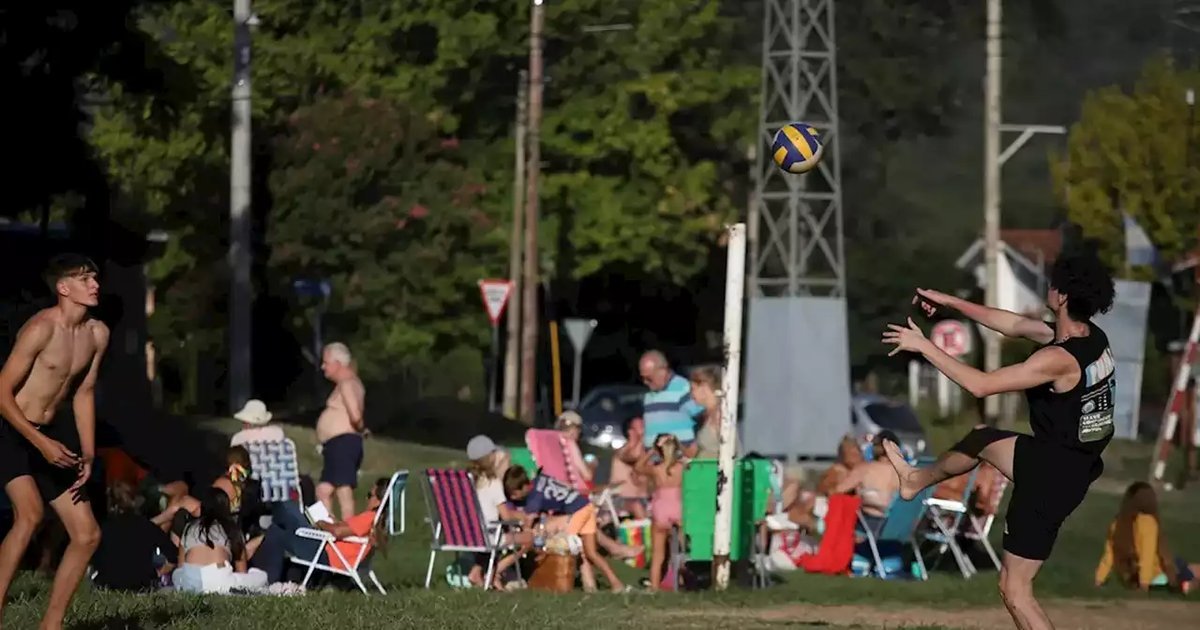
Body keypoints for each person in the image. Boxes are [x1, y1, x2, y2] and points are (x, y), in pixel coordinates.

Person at [880, 252, 1117, 630]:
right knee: (981, 439)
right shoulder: (1090, 338)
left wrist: (924, 346)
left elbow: (981, 385)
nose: (1048, 287)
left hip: (1051, 473)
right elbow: (1011, 323)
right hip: (1071, 463)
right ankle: (914, 481)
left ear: (1063, 297)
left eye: (1054, 283)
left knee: (1015, 591)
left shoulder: (1058, 358)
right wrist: (950, 304)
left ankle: (914, 482)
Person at [0, 254, 108, 630]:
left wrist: (89, 453)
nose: (95, 284)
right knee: (29, 515)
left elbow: (84, 393)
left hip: (50, 435)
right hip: (11, 428)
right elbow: (1, 392)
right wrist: (38, 442)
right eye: (85, 279)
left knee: (87, 533)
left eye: (95, 278)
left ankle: (52, 625)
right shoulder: (40, 329)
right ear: (64, 288)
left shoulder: (98, 334)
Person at [503, 466, 627, 593]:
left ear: (525, 486)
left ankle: (608, 582)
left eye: (514, 493)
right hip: (585, 506)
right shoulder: (540, 479)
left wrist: (526, 531)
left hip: (578, 514)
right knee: (589, 553)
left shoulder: (534, 499)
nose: (512, 497)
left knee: (575, 547)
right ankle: (608, 585)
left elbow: (528, 524)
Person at [251, 477, 389, 585]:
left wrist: (322, 523)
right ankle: (261, 573)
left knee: (282, 516)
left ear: (378, 501)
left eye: (369, 495)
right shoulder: (377, 520)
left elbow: (338, 533)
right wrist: (333, 522)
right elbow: (345, 530)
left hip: (324, 553)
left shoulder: (369, 517)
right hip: (325, 546)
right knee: (286, 514)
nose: (367, 498)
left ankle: (266, 579)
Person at [1095, 481, 1199, 594]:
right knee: (1184, 566)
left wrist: (1099, 579)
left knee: (1187, 565)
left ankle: (1186, 581)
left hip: (1131, 577)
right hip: (1155, 576)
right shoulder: (1148, 523)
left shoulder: (1116, 524)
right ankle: (1187, 585)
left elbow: (1109, 555)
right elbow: (1147, 555)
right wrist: (1144, 584)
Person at [172, 488, 267, 593]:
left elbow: (181, 566)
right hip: (219, 580)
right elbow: (241, 571)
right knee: (262, 577)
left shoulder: (189, 527)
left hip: (190, 582)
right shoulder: (231, 529)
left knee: (177, 573)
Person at [465, 435, 531, 589]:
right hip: (490, 535)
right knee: (529, 539)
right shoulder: (493, 483)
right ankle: (494, 573)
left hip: (470, 534)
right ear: (490, 457)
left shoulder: (469, 481)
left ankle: (476, 573)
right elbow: (506, 517)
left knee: (494, 538)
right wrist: (521, 519)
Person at [90, 481, 174, 592]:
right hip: (142, 584)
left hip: (108, 584)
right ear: (135, 500)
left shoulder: (102, 527)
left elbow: (95, 559)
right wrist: (158, 572)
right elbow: (173, 555)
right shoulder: (147, 526)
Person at [316, 342, 367, 520]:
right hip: (337, 445)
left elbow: (355, 415)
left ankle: (347, 535)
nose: (323, 367)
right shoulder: (351, 383)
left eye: (326, 362)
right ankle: (331, 533)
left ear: (338, 363)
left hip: (343, 443)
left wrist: (361, 428)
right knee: (323, 491)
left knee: (343, 491)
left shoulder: (347, 384)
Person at [635, 434, 684, 592]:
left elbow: (638, 467)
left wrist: (651, 452)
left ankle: (655, 586)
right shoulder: (682, 468)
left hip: (660, 509)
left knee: (658, 555)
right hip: (678, 507)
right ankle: (682, 581)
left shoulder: (656, 469)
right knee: (682, 550)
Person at [638, 351, 704, 457]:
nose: (645, 382)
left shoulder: (683, 388)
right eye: (642, 378)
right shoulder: (648, 396)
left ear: (663, 371)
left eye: (649, 378)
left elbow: (702, 417)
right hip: (652, 463)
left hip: (677, 463)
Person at [832, 431, 901, 533]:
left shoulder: (865, 469)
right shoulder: (903, 473)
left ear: (877, 448)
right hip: (897, 528)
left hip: (869, 526)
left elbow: (838, 490)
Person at [688, 365, 737, 459]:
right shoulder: (708, 415)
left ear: (704, 387)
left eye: (693, 389)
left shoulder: (720, 415)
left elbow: (730, 451)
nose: (691, 395)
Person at [609, 417, 650, 520]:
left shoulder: (646, 453)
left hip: (644, 498)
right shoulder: (622, 452)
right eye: (641, 426)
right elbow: (633, 456)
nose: (645, 428)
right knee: (636, 506)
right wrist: (641, 438)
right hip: (622, 499)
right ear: (630, 431)